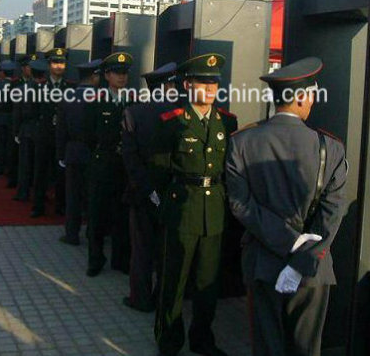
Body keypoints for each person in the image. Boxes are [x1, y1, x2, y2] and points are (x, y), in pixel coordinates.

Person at [226, 57, 348, 356]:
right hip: (311, 266)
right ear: (302, 97)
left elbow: (240, 205)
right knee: (306, 347)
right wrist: (301, 254)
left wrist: (284, 243)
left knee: (267, 344)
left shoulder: (241, 142)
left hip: (262, 261)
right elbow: (331, 212)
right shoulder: (329, 146)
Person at [149, 53, 237, 356]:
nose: (211, 88)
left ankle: (202, 339)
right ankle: (169, 339)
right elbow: (159, 169)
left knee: (207, 283)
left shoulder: (227, 121)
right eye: (204, 82)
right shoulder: (172, 122)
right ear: (188, 85)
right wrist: (172, 201)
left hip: (213, 211)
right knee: (174, 279)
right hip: (182, 209)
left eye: (214, 82)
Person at [121, 62, 178, 313]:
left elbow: (130, 157)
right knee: (168, 251)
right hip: (174, 191)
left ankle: (140, 298)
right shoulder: (183, 113)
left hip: (142, 192)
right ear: (169, 85)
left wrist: (147, 189)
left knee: (142, 249)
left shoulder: (134, 113)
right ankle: (163, 297)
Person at [82, 52, 134, 276]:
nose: (122, 78)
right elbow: (87, 135)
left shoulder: (133, 101)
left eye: (124, 74)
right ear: (107, 75)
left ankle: (120, 259)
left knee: (121, 214)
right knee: (97, 214)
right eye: (117, 73)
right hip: (102, 163)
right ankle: (95, 258)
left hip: (124, 165)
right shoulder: (95, 102)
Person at [56, 58, 101, 244]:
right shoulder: (100, 98)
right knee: (93, 196)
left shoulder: (67, 98)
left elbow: (61, 130)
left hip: (73, 151)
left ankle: (72, 234)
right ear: (93, 77)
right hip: (93, 153)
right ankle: (92, 232)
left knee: (73, 195)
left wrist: (61, 155)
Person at [30, 48, 71, 218]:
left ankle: (60, 206)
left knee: (61, 174)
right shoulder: (39, 88)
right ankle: (38, 206)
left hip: (62, 138)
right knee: (40, 172)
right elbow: (33, 113)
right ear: (49, 65)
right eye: (55, 62)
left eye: (61, 63)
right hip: (44, 135)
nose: (58, 66)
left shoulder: (70, 88)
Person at [13, 57, 47, 201]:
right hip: (43, 131)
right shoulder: (50, 91)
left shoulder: (22, 90)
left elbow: (17, 114)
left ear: (31, 73)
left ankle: (23, 192)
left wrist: (16, 132)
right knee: (41, 165)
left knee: (25, 164)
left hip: (27, 130)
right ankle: (40, 194)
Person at [0, 61, 17, 176]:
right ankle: (9, 167)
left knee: (0, 144)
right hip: (11, 118)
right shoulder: (17, 87)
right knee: (10, 145)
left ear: (3, 73)